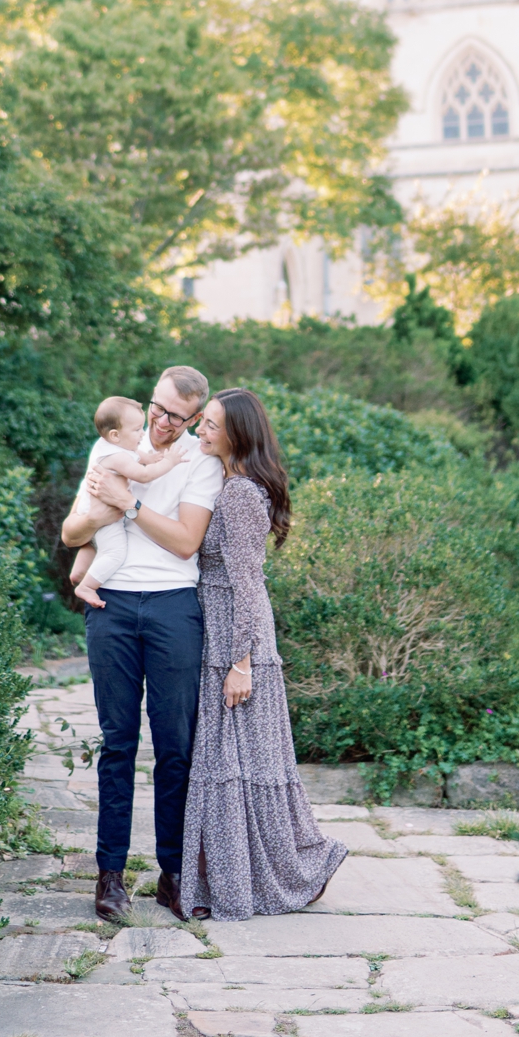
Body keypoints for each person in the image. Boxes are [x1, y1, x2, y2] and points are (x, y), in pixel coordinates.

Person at [61, 365, 223, 923]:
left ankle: (172, 875)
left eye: (174, 415)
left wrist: (126, 506)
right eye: (155, 407)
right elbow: (71, 532)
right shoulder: (111, 446)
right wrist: (102, 511)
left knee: (176, 745)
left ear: (195, 417)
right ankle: (109, 877)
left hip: (175, 607)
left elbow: (184, 543)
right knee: (118, 743)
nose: (159, 421)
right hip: (112, 609)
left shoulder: (203, 463)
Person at [180, 387, 347, 921]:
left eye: (209, 424)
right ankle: (234, 879)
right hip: (223, 632)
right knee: (230, 763)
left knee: (239, 762)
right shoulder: (227, 484)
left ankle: (280, 875)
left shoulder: (240, 495)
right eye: (201, 422)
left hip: (238, 639)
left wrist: (241, 663)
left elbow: (249, 583)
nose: (200, 430)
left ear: (236, 434)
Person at [69, 395, 190, 608]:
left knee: (96, 544)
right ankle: (87, 586)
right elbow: (143, 474)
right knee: (115, 552)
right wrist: (168, 462)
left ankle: (79, 571)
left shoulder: (105, 445)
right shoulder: (117, 457)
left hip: (90, 507)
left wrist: (150, 457)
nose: (142, 433)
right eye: (136, 430)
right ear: (115, 435)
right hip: (106, 514)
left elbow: (136, 453)